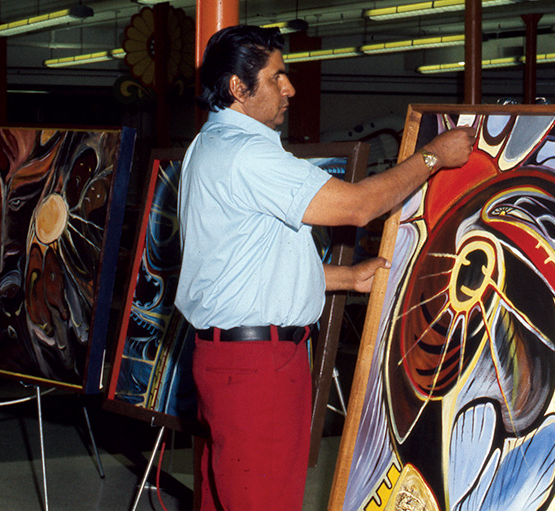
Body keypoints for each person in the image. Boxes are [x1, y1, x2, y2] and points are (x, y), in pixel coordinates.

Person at [174, 24, 475, 511]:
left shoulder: (208, 146)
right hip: (259, 370)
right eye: (277, 77)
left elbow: (238, 266)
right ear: (238, 88)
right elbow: (357, 207)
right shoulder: (247, 155)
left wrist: (345, 277)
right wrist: (433, 156)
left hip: (228, 361)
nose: (290, 87)